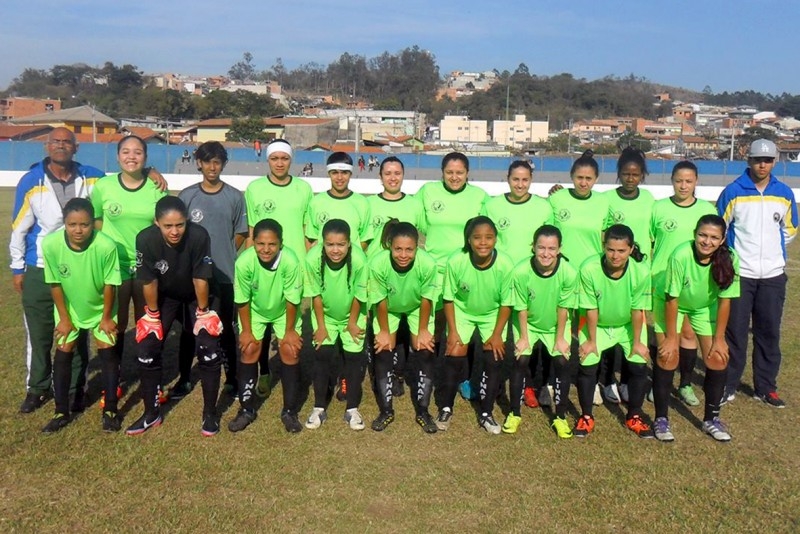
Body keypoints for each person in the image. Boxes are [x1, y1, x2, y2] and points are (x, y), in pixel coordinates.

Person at [10, 127, 102, 413]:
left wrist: (148, 171)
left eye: (67, 142)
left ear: (76, 148)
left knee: (76, 331)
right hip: (39, 267)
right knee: (39, 334)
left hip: (78, 269)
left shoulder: (93, 177)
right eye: (55, 142)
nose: (61, 146)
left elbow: (121, 189)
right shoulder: (32, 180)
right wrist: (17, 267)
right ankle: (37, 388)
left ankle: (76, 389)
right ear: (47, 147)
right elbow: (19, 228)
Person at [127, 197, 223, 436]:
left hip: (199, 295)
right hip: (166, 295)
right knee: (147, 347)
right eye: (168, 226)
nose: (175, 231)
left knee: (208, 347)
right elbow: (148, 280)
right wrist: (151, 315)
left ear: (187, 222)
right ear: (156, 222)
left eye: (180, 225)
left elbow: (200, 277)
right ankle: (151, 413)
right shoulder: (145, 239)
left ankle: (210, 414)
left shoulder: (199, 236)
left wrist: (202, 313)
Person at [718, 139, 798, 407]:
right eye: (756, 160)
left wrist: (772, 255)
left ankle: (765, 387)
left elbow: (789, 231)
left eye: (767, 160)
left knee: (769, 333)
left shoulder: (784, 193)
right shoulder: (733, 192)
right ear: (748, 161)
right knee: (735, 333)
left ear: (775, 162)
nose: (762, 165)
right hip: (741, 275)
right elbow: (721, 228)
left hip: (773, 276)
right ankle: (727, 384)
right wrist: (736, 260)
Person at [652, 215, 739, 442]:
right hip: (672, 305)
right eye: (702, 235)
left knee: (718, 358)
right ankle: (661, 419)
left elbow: (725, 300)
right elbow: (672, 298)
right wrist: (672, 337)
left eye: (713, 237)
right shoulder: (681, 255)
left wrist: (719, 338)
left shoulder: (730, 258)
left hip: (703, 308)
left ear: (722, 240)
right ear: (694, 234)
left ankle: (711, 419)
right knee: (668, 356)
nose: (707, 241)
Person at [40, 198, 121, 433]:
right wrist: (65, 319)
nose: (78, 230)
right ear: (64, 223)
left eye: (84, 224)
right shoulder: (51, 245)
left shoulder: (106, 246)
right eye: (72, 224)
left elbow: (110, 285)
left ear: (92, 224)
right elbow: (54, 283)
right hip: (70, 308)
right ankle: (61, 411)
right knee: (64, 350)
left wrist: (106, 318)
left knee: (107, 350)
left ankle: (111, 411)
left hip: (100, 308)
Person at [482, 159, 554, 408]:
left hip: (532, 278)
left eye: (525, 180)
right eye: (515, 179)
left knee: (531, 335)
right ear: (508, 179)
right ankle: (495, 381)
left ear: (531, 180)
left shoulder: (543, 208)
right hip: (500, 278)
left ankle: (532, 385)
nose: (520, 184)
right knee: (498, 332)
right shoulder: (492, 205)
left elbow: (548, 243)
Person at [178, 141, 247, 397]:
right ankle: (184, 378)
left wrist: (222, 253)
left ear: (223, 164)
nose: (212, 167)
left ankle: (231, 378)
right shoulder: (187, 196)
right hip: (192, 278)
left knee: (226, 327)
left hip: (225, 275)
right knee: (189, 328)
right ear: (199, 163)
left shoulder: (235, 197)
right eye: (207, 161)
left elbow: (240, 234)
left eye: (217, 161)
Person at [244, 138, 311, 396]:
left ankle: (292, 370)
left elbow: (307, 231)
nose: (280, 163)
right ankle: (264, 371)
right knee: (263, 320)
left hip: (294, 268)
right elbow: (251, 230)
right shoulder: (255, 189)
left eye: (284, 158)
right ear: (267, 160)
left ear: (290, 160)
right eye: (275, 158)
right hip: (263, 264)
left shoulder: (303, 189)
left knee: (291, 321)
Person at [417, 152, 487, 400]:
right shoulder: (428, 192)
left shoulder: (479, 197)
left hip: (466, 270)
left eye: (459, 172)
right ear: (442, 173)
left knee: (464, 326)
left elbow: (485, 229)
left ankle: (464, 378)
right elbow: (418, 222)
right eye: (449, 172)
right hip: (435, 271)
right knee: (434, 325)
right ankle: (430, 375)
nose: (454, 177)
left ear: (468, 173)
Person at [91, 136, 166, 364]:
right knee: (117, 322)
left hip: (146, 268)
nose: (131, 157)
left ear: (145, 157)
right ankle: (114, 378)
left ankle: (150, 376)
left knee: (148, 320)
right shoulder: (103, 187)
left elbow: (162, 226)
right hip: (115, 268)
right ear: (117, 156)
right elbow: (96, 222)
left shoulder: (156, 186)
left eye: (137, 152)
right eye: (125, 151)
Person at [437, 216, 514, 434]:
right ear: (468, 240)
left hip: (492, 314)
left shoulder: (505, 264)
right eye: (477, 237)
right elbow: (449, 299)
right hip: (462, 311)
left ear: (496, 240)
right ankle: (445, 407)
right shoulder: (456, 261)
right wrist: (452, 331)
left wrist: (498, 334)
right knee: (454, 354)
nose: (483, 242)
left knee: (494, 357)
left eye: (489, 238)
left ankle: (486, 413)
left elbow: (507, 303)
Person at [575, 224, 652, 438]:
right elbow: (590, 308)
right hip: (596, 325)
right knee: (588, 365)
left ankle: (634, 416)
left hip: (627, 325)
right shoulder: (589, 268)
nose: (615, 256)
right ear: (603, 247)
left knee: (638, 365)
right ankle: (586, 416)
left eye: (621, 251)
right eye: (610, 249)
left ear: (630, 249)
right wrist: (591, 341)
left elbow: (638, 310)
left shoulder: (641, 271)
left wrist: (637, 342)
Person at [650, 161, 717, 407]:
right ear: (672, 180)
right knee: (665, 335)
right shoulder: (658, 208)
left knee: (688, 333)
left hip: (692, 284)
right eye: (679, 180)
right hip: (662, 281)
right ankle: (661, 384)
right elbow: (649, 242)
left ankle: (685, 384)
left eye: (688, 181)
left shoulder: (706, 210)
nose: (683, 185)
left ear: (696, 182)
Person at [229, 219, 304, 433]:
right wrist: (247, 331)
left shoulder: (290, 260)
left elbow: (292, 299)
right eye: (261, 243)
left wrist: (289, 332)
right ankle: (246, 410)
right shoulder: (244, 262)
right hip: (255, 312)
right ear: (253, 242)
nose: (266, 249)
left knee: (290, 350)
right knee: (250, 348)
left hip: (283, 311)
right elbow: (242, 299)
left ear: (281, 243)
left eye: (272, 244)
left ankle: (289, 412)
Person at [548, 149, 609, 407]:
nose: (583, 183)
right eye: (579, 177)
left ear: (595, 179)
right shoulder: (557, 199)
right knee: (557, 329)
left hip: (590, 277)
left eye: (589, 178)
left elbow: (608, 238)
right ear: (571, 176)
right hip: (562, 274)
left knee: (586, 330)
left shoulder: (604, 203)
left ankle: (590, 381)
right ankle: (551, 382)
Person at [368, 219, 440, 432]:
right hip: (388, 308)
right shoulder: (378, 264)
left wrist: (424, 330)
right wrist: (382, 331)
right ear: (390, 245)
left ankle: (423, 411)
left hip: (418, 307)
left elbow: (427, 298)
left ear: (418, 247)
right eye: (398, 249)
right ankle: (386, 411)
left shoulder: (428, 264)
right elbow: (379, 300)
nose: (403, 255)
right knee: (383, 349)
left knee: (425, 349)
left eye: (409, 250)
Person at [365, 156, 427, 398]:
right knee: (379, 324)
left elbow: (426, 235)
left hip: (405, 276)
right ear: (380, 176)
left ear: (403, 176)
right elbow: (363, 240)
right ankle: (381, 370)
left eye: (397, 173)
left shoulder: (414, 205)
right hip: (377, 276)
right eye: (388, 173)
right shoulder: (369, 204)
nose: (392, 177)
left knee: (403, 326)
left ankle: (399, 373)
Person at [508, 225, 578, 437]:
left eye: (551, 248)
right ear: (533, 247)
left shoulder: (569, 272)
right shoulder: (521, 271)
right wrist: (523, 338)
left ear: (559, 249)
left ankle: (560, 417)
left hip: (557, 325)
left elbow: (563, 308)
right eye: (541, 248)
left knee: (562, 361)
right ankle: (514, 413)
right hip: (527, 324)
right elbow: (520, 307)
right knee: (521, 359)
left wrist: (560, 339)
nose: (546, 253)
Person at [600, 147, 655, 404]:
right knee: (611, 323)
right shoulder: (608, 199)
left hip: (639, 273)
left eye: (635, 174)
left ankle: (627, 380)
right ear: (619, 174)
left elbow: (654, 233)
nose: (630, 178)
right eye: (625, 174)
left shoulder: (649, 200)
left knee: (636, 324)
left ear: (642, 175)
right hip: (613, 270)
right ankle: (607, 378)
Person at [304, 219, 369, 431]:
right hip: (326, 316)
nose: (335, 250)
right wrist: (321, 327)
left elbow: (360, 294)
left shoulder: (359, 260)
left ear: (349, 244)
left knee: (353, 359)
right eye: (330, 244)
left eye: (341, 244)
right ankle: (319, 407)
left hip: (353, 313)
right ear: (322, 243)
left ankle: (352, 409)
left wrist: (352, 323)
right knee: (322, 355)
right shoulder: (313, 258)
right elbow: (315, 294)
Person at [305, 151, 373, 250]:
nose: (339, 177)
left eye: (344, 173)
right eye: (335, 173)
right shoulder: (316, 202)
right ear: (329, 174)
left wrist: (349, 257)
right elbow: (311, 237)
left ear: (350, 174)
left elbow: (365, 238)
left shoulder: (362, 203)